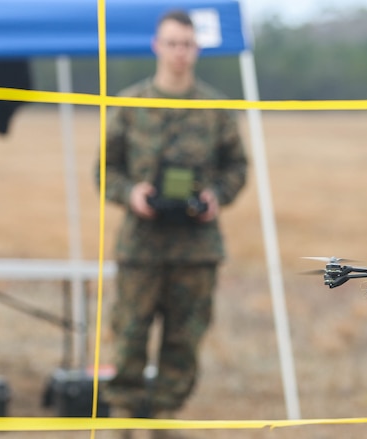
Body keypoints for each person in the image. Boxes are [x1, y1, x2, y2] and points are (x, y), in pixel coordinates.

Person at [96, 9, 248, 438]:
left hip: (196, 249)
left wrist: (216, 195)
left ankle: (163, 417)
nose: (179, 52)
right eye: (172, 43)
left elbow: (237, 167)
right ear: (156, 47)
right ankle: (124, 419)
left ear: (196, 49)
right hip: (140, 246)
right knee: (128, 334)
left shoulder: (215, 108)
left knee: (185, 339)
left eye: (187, 44)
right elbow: (105, 169)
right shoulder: (130, 105)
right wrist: (132, 193)